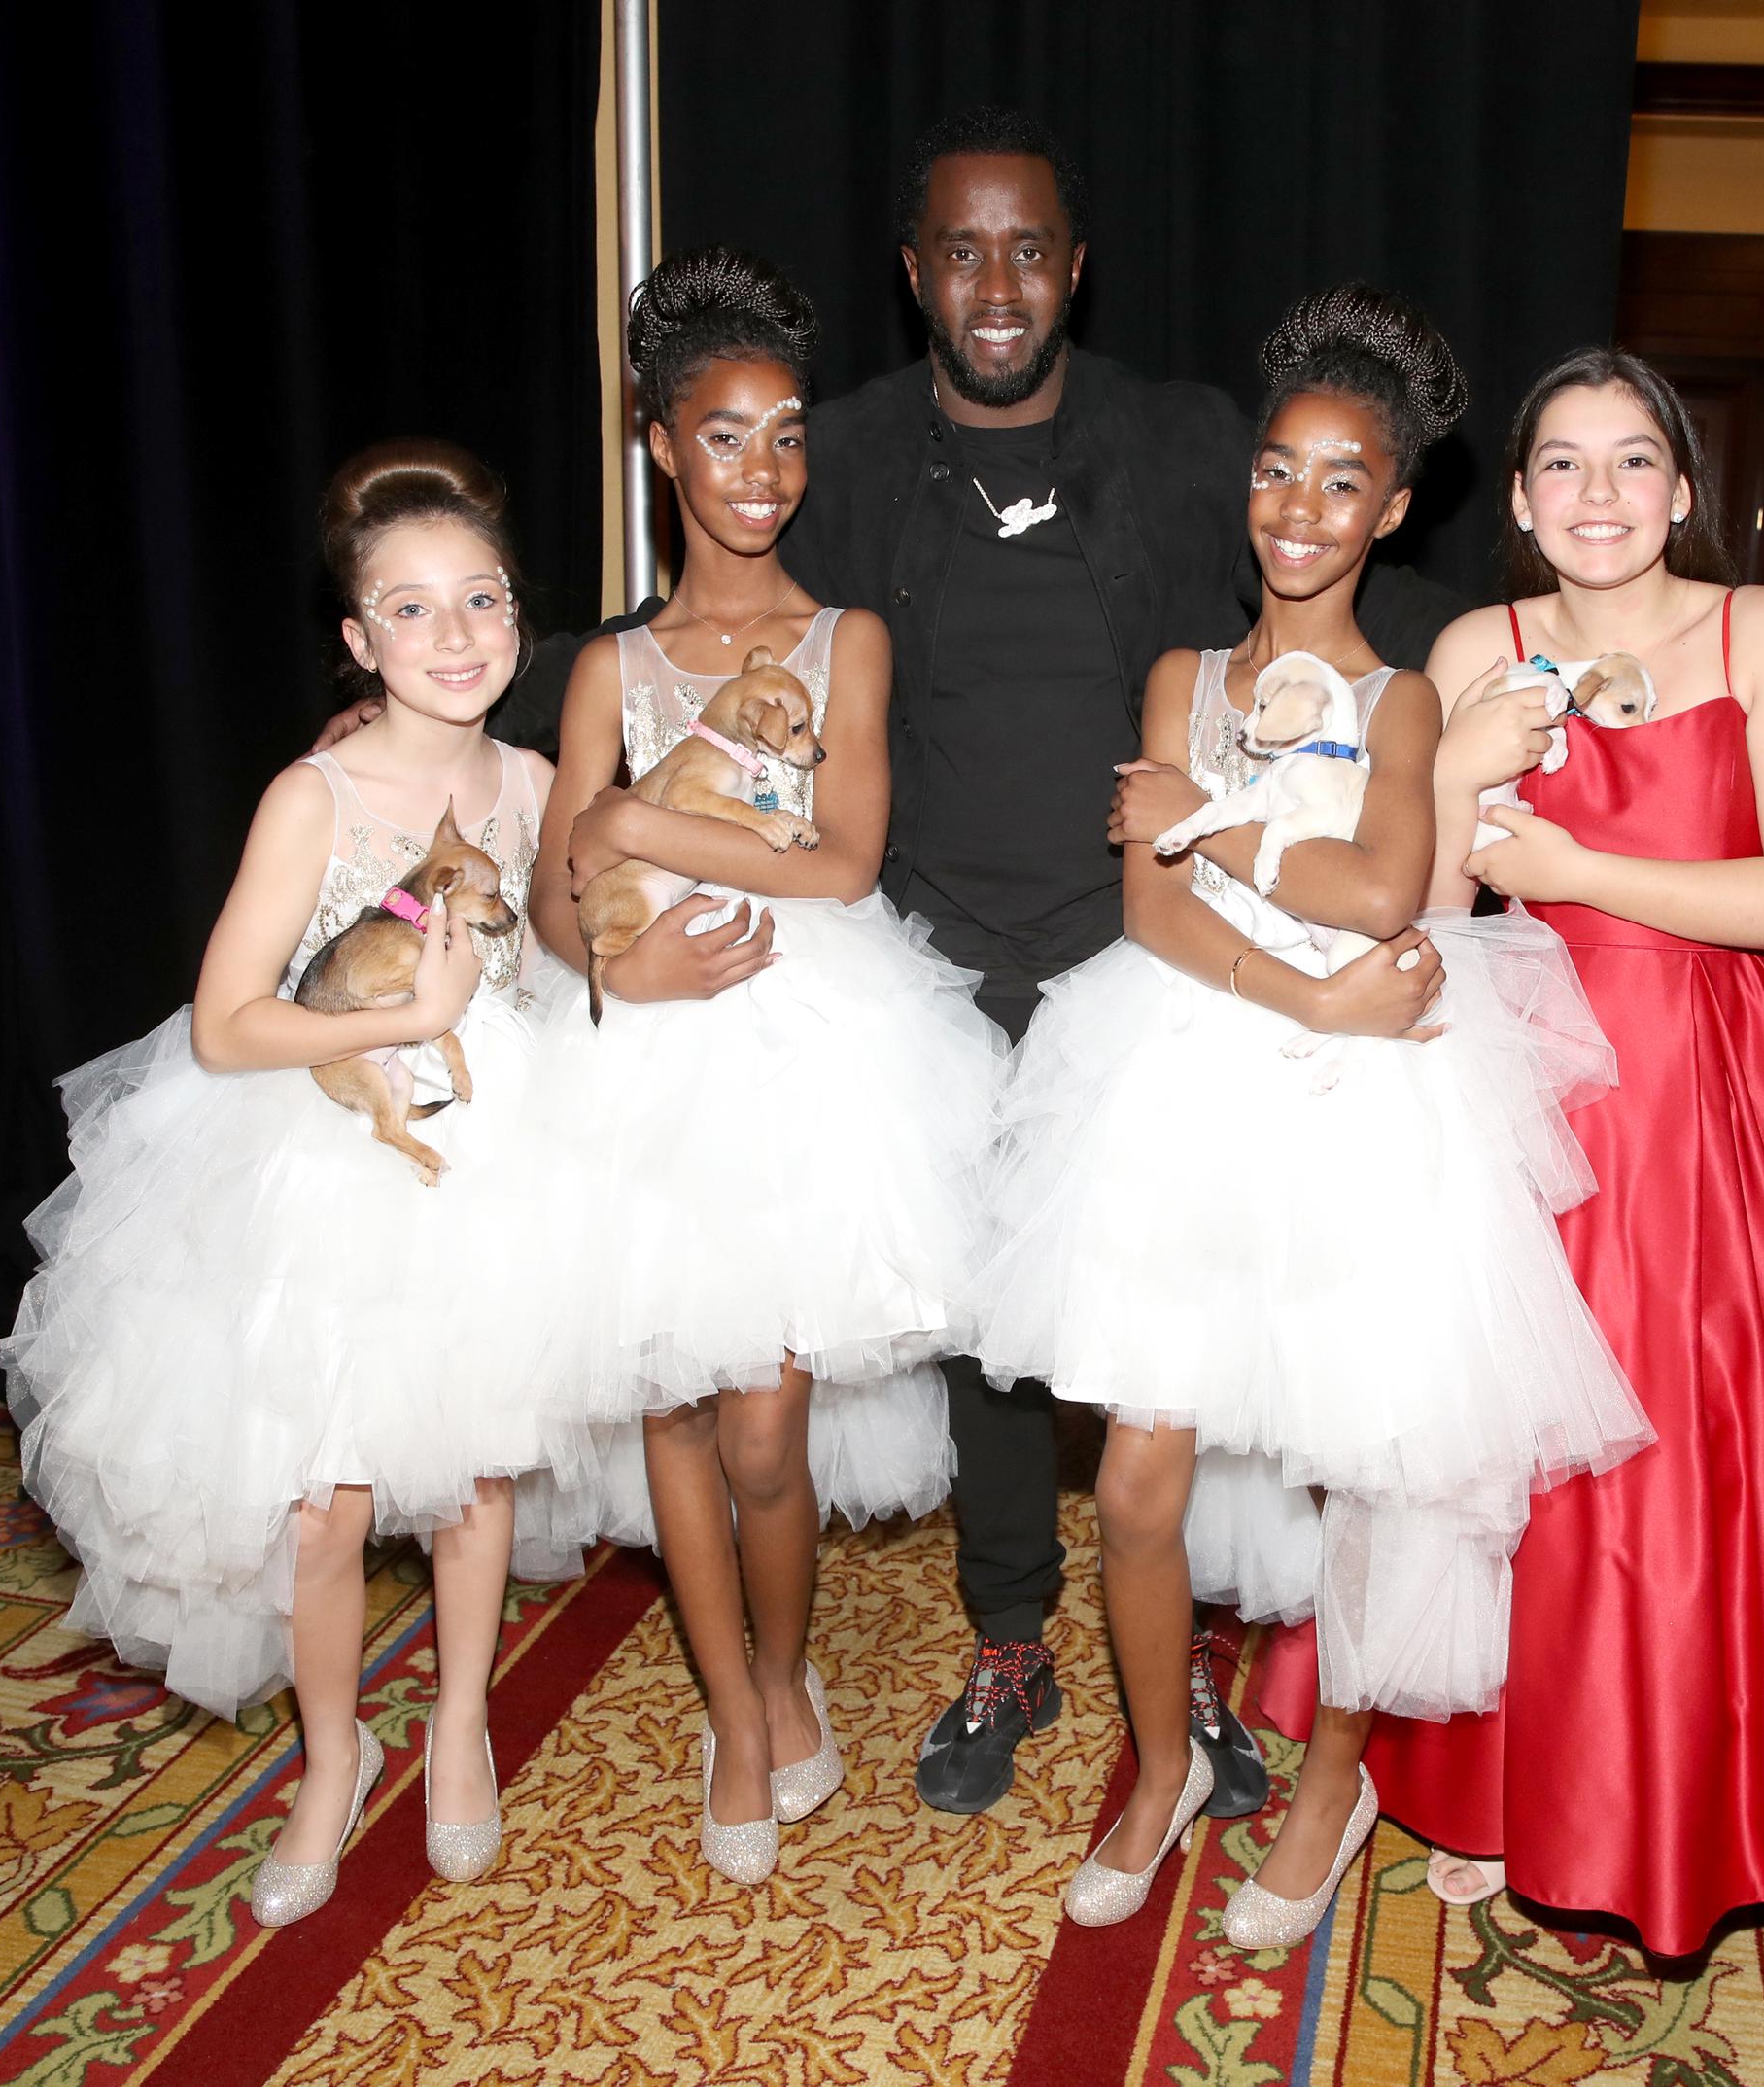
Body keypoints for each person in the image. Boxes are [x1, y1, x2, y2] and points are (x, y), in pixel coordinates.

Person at [324, 107, 1461, 1817]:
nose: (994, 284)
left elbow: (1348, 579)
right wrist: (430, 723)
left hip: (1145, 950)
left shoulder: (1180, 436)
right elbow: (664, 628)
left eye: (1028, 249)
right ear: (913, 274)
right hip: (925, 948)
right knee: (981, 1326)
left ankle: (1209, 1678)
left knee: (1203, 1319)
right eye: (960, 251)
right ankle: (1011, 1633)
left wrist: (1517, 682)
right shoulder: (837, 446)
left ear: (1074, 266)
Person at [1261, 348, 1764, 2034]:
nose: (1600, 496)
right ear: (1515, 503)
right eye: (1564, 468)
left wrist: (1581, 865)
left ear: (1685, 489)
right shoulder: (1472, 651)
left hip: (1725, 1105)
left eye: (1634, 462)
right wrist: (1453, 777)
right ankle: (1492, 1786)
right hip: (1523, 1107)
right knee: (1505, 1473)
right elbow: (1417, 909)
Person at [971, 286, 1651, 1935]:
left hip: (1373, 1111)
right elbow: (1151, 913)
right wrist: (1298, 985)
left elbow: (1380, 883)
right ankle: (1161, 1764)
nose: (1299, 509)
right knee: (1136, 1484)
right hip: (1188, 1066)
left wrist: (1223, 825)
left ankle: (1334, 1781)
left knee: (1371, 1467)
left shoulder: (1406, 695)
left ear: (1395, 505)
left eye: (1343, 482)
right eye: (1279, 472)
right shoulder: (1181, 677)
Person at [3, 442, 572, 1926]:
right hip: (325, 1144)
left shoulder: (535, 783)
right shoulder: (315, 796)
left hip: (491, 1156)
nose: (456, 638)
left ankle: (458, 1726)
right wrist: (400, 1021)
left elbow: (571, 961)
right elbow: (227, 1020)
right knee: (328, 1502)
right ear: (357, 639)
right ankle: (335, 1753)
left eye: (484, 600)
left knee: (478, 1465)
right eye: (411, 609)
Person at [520, 247, 1004, 1887]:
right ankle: (736, 1704)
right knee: (671, 1395)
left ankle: (787, 1661)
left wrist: (646, 824)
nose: (762, 470)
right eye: (724, 436)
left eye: (786, 433)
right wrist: (619, 952)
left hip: (811, 1045)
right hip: (644, 1054)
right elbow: (546, 887)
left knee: (766, 1428)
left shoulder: (842, 639)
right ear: (663, 445)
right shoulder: (609, 665)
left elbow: (849, 860)